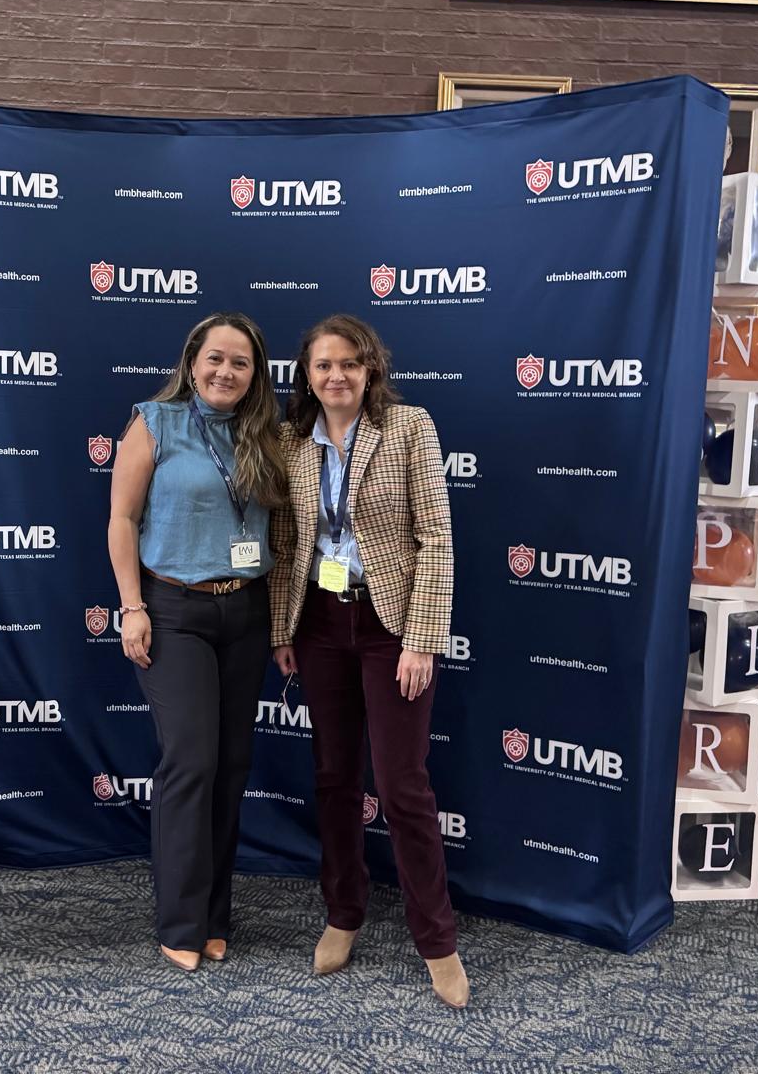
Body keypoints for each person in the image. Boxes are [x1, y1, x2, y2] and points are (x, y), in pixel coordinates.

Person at [268, 314, 469, 1008]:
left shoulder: (409, 427)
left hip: (391, 626)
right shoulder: (293, 441)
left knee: (403, 784)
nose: (337, 376)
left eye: (350, 363)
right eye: (324, 365)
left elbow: (436, 538)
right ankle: (343, 913)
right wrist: (282, 628)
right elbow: (289, 544)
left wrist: (421, 639)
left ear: (371, 369)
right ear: (307, 374)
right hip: (320, 623)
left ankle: (437, 941)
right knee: (333, 777)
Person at [107, 312, 288, 972]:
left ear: (255, 374)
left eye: (241, 362)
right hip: (173, 609)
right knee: (192, 761)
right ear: (191, 362)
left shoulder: (266, 434)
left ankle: (214, 916)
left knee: (232, 765)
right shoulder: (154, 423)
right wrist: (132, 607)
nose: (225, 372)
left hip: (246, 610)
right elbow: (122, 518)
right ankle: (180, 920)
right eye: (215, 358)